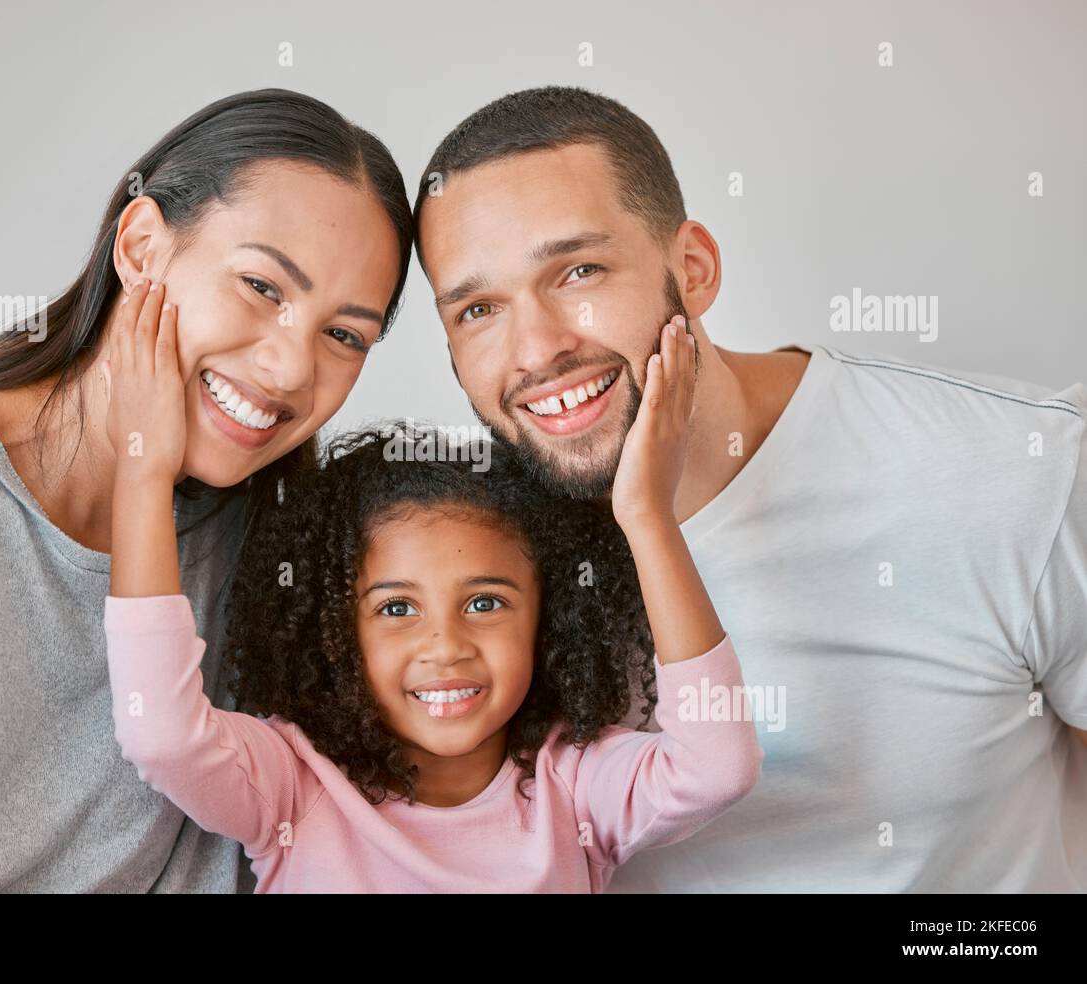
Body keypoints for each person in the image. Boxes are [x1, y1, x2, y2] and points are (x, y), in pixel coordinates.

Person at [411, 85, 1087, 891]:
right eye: (479, 308)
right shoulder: (462, 560)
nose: (535, 350)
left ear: (691, 269)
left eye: (579, 270)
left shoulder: (1021, 469)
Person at [0, 88, 411, 892]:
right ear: (143, 246)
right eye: (262, 286)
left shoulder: (292, 545)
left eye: (344, 335)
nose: (292, 368)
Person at [99, 298, 761, 891]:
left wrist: (646, 515)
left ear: (548, 617)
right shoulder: (295, 785)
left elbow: (716, 768)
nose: (446, 646)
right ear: (336, 630)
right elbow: (162, 735)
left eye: (485, 602)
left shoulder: (578, 789)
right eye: (395, 608)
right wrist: (143, 470)